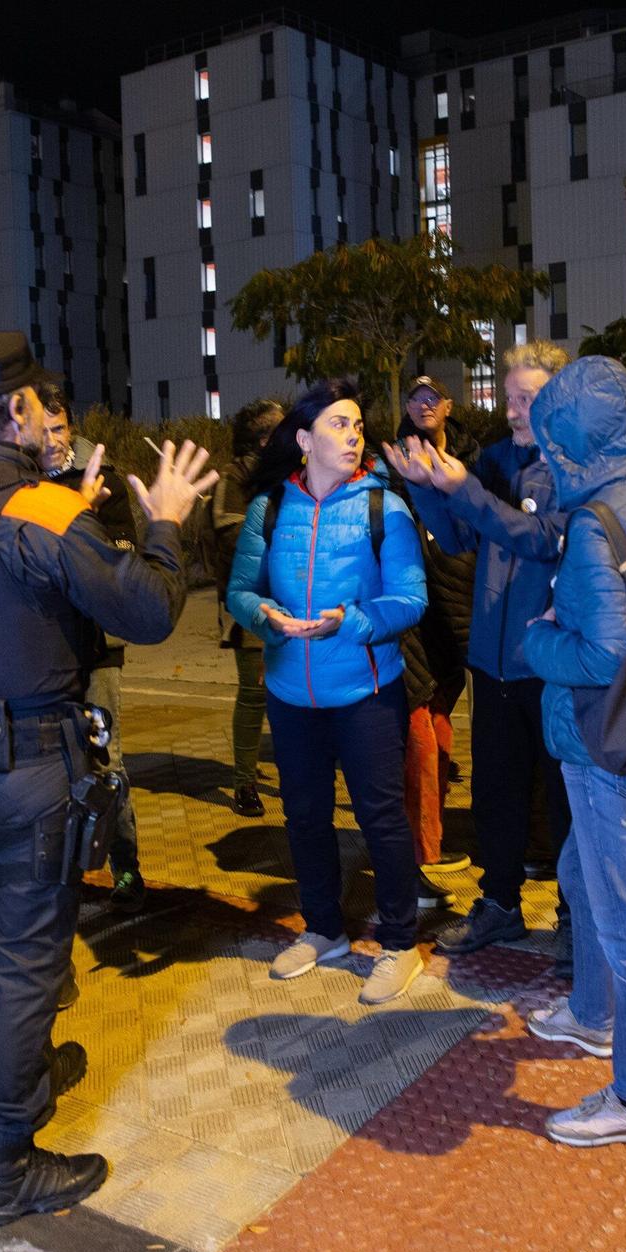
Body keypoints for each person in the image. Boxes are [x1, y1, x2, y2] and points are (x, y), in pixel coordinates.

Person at [0, 331, 216, 1227]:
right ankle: (5, 1167)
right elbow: (148, 609)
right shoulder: (39, 511)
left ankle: (28, 1074)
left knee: (8, 942)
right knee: (28, 965)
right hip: (28, 768)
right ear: (18, 410)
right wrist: (166, 522)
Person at [518, 354, 626, 1147]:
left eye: (550, 441)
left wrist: (537, 639)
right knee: (577, 873)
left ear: (572, 442)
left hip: (602, 742)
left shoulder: (595, 524)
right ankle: (591, 1014)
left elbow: (602, 653)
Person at [227, 378, 429, 1005]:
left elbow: (410, 599)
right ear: (303, 439)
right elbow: (240, 591)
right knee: (305, 815)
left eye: (358, 425)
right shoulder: (268, 508)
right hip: (291, 693)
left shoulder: (384, 507)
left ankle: (400, 943)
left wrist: (352, 621)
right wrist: (264, 615)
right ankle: (323, 929)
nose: (353, 435)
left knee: (381, 819)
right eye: (339, 424)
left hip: (367, 692)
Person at [386, 342, 570, 962]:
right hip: (491, 662)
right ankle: (499, 905)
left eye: (527, 399)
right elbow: (460, 535)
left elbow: (539, 539)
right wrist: (426, 489)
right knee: (495, 792)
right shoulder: (493, 459)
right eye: (509, 397)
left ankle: (574, 915)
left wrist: (463, 489)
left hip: (549, 663)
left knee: (561, 799)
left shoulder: (572, 468)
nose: (512, 410)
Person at [34, 383, 146, 912]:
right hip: (40, 648)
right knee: (49, 767)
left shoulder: (104, 480)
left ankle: (126, 868)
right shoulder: (18, 481)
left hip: (97, 647)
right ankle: (64, 872)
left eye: (59, 429)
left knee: (105, 760)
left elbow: (121, 558)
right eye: (42, 430)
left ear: (72, 428)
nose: (52, 440)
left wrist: (81, 523)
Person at [391, 376, 477, 908]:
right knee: (419, 740)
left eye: (433, 398)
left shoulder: (470, 463)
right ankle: (416, 857)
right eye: (415, 398)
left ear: (447, 405)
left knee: (441, 736)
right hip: (409, 622)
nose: (424, 405)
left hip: (455, 620)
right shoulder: (392, 465)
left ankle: (430, 842)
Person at [213, 398, 286, 818]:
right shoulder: (234, 477)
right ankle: (244, 783)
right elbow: (228, 535)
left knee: (290, 691)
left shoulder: (286, 475)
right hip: (251, 604)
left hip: (292, 601)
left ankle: (295, 771)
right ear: (262, 439)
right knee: (255, 693)